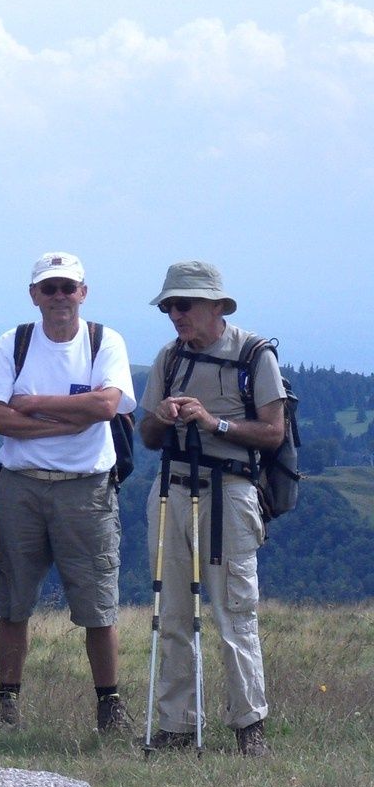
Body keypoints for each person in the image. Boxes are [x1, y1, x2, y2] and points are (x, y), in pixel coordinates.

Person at [0, 251, 136, 733]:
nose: (60, 296)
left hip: (85, 490)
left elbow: (107, 405)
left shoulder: (104, 340)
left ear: (83, 292)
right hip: (21, 488)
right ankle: (6, 701)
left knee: (98, 603)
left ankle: (110, 706)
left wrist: (32, 406)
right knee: (14, 599)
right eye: (49, 288)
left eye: (68, 287)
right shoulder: (14, 342)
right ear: (35, 295)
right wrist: (67, 421)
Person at [139, 261, 285, 757]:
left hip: (231, 490)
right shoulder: (169, 357)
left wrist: (214, 424)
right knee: (173, 612)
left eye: (184, 305)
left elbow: (273, 432)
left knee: (234, 610)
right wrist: (161, 418)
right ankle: (176, 726)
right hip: (172, 488)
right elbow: (147, 435)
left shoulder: (253, 354)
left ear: (216, 305)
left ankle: (250, 725)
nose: (175, 314)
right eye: (169, 307)